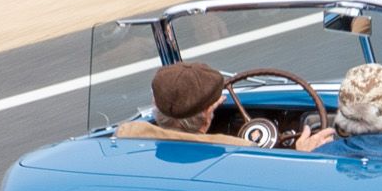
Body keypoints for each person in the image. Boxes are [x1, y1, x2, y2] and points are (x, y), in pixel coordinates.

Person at [116, 61, 334, 150]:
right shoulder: (240, 150)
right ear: (210, 111)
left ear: (155, 102)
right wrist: (300, 153)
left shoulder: (127, 135)